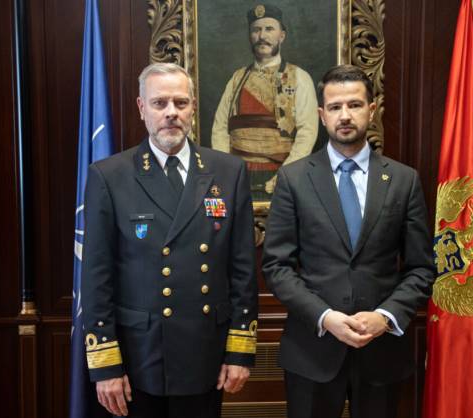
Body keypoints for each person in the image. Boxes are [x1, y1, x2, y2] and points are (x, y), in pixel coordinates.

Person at [81, 62, 258, 418]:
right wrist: (106, 365)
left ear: (193, 107)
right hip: (139, 354)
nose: (171, 113)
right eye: (160, 103)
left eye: (180, 102)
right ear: (141, 108)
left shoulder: (229, 171)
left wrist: (240, 351)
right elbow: (97, 276)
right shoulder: (110, 175)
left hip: (205, 353)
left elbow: (242, 270)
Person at [262, 65, 435, 418]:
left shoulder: (403, 180)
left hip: (382, 352)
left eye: (354, 105)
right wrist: (325, 317)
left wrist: (385, 317)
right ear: (321, 115)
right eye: (335, 107)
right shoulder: (293, 179)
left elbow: (421, 268)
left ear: (372, 110)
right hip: (312, 350)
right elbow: (277, 267)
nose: (345, 115)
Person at [211, 3, 318, 200]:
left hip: (284, 177)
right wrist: (228, 172)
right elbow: (220, 128)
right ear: (250, 36)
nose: (262, 36)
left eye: (269, 29)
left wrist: (285, 177)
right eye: (256, 30)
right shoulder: (236, 78)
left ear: (282, 36)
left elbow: (307, 133)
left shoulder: (300, 78)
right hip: (238, 177)